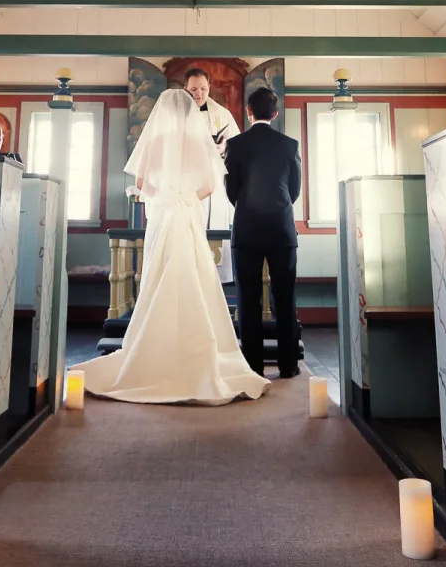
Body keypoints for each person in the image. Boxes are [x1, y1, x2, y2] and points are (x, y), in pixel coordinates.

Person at [80, 89, 268, 405]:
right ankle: (199, 353)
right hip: (188, 214)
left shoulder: (154, 142)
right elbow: (209, 186)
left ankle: (154, 350)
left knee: (158, 276)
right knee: (195, 277)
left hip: (164, 214)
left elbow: (141, 184)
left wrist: (164, 196)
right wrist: (186, 198)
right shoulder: (199, 142)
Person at [223, 87, 303, 379]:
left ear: (248, 111)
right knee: (285, 297)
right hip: (282, 228)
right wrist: (279, 208)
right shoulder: (290, 145)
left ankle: (254, 366)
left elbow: (231, 190)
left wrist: (247, 207)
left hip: (247, 229)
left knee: (248, 298)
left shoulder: (235, 144)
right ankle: (288, 365)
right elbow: (294, 190)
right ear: (276, 114)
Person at [183, 68, 241, 279]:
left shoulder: (221, 114)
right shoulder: (176, 113)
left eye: (203, 89)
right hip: (187, 178)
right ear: (185, 88)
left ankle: (214, 277)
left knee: (212, 223)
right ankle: (187, 273)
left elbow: (235, 142)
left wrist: (223, 148)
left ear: (209, 87)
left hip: (213, 178)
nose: (199, 93)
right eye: (194, 89)